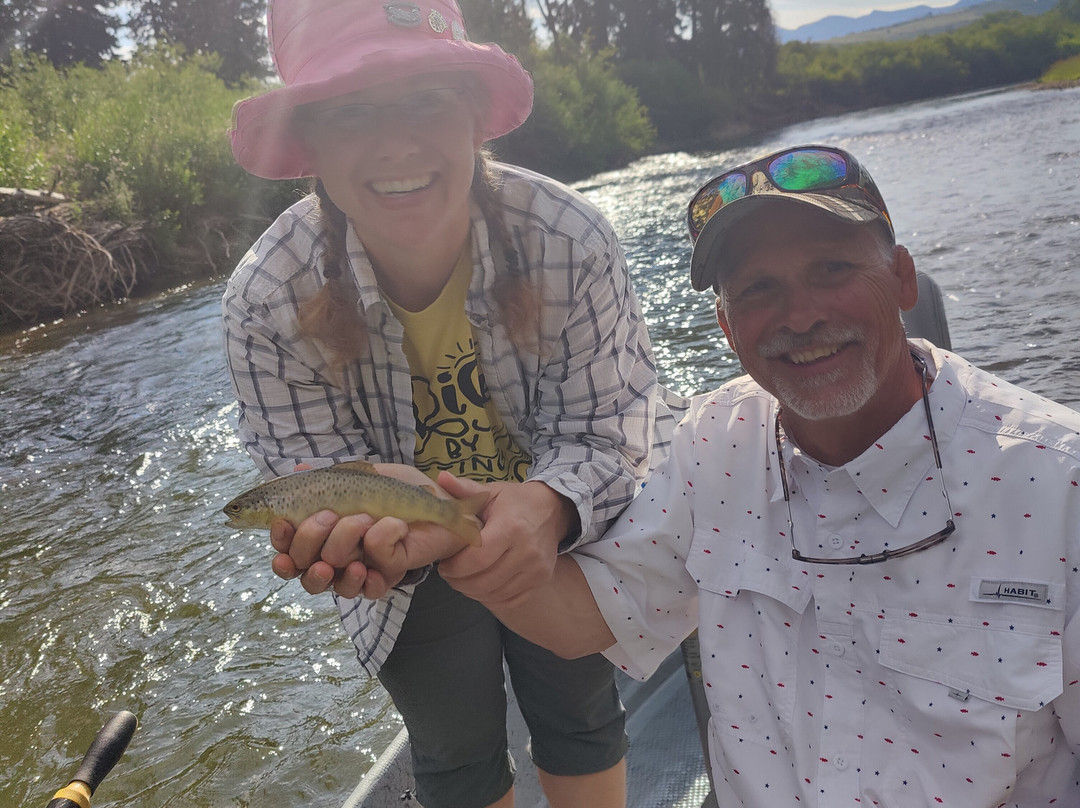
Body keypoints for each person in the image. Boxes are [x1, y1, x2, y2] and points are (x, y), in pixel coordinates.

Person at [360, 144, 1080, 805]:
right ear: (728, 327)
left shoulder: (1058, 485)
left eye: (832, 269)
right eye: (759, 289)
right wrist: (456, 538)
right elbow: (588, 617)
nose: (800, 315)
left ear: (901, 279)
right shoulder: (714, 441)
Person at [221, 2, 670, 807]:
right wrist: (370, 539)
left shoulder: (570, 237)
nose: (395, 144)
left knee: (581, 714)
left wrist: (547, 507)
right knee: (455, 753)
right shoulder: (266, 299)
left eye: (424, 97)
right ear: (310, 147)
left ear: (473, 116)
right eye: (351, 113)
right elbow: (313, 474)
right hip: (404, 567)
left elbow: (615, 431)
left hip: (560, 524)